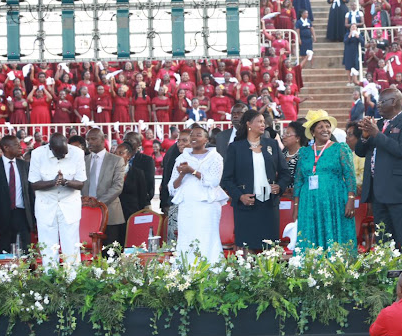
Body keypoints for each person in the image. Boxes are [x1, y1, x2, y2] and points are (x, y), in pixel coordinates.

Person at [355, 88, 402, 249]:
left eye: (383, 101)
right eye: (378, 101)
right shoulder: (379, 124)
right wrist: (364, 136)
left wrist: (376, 134)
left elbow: (401, 150)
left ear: (395, 102)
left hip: (399, 192)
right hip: (378, 192)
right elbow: (360, 152)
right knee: (383, 240)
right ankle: (387, 273)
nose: (378, 105)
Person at [220, 109, 290, 250]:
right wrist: (240, 196)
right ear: (248, 124)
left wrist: (280, 186)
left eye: (264, 122)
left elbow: (285, 173)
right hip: (246, 205)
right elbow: (226, 179)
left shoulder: (272, 144)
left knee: (270, 248)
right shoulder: (235, 147)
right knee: (246, 248)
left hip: (269, 206)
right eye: (259, 121)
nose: (263, 124)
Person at [293, 110, 356, 250]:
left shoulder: (340, 148)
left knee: (334, 234)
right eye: (320, 127)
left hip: (334, 200)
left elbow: (350, 176)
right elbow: (298, 181)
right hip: (309, 202)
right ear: (313, 132)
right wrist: (296, 206)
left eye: (327, 126)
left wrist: (351, 200)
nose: (325, 129)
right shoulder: (304, 152)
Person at [169, 126, 229, 263]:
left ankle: (210, 272)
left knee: (206, 238)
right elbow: (172, 186)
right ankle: (186, 274)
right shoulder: (181, 158)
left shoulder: (215, 157)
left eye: (198, 135)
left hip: (207, 205)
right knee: (186, 238)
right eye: (192, 135)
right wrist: (182, 174)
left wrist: (192, 171)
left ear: (206, 140)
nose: (194, 137)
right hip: (187, 205)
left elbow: (214, 181)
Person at [28, 133, 87, 267]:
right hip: (46, 206)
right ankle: (50, 282)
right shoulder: (37, 154)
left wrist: (65, 182)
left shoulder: (77, 153)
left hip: (69, 206)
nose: (63, 156)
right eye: (60, 154)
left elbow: (81, 183)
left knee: (71, 247)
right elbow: (34, 184)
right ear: (51, 148)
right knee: (48, 248)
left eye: (65, 153)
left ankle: (73, 281)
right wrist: (53, 182)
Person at [0, 135, 34, 254]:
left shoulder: (24, 166)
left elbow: (30, 194)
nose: (20, 147)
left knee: (25, 254)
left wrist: (33, 219)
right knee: (4, 253)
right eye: (16, 145)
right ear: (6, 147)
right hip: (1, 218)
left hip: (22, 216)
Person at [82, 128, 126, 248]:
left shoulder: (116, 160)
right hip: (86, 214)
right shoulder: (82, 160)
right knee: (89, 251)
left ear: (103, 139)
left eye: (93, 139)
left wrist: (98, 203)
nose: (90, 142)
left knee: (110, 254)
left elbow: (118, 186)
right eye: (88, 140)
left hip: (110, 214)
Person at [114, 142, 148, 244]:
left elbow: (142, 197)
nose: (117, 156)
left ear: (128, 156)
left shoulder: (138, 173)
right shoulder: (110, 172)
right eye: (115, 153)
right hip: (115, 215)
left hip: (131, 214)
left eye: (120, 153)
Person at [123, 131, 155, 206]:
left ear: (139, 144)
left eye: (130, 141)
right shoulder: (118, 160)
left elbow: (149, 182)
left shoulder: (147, 160)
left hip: (140, 203)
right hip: (122, 203)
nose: (126, 143)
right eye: (125, 140)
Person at [281, 120, 309, 185]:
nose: (284, 137)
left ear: (297, 138)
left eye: (288, 134)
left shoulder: (305, 154)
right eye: (284, 134)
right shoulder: (282, 154)